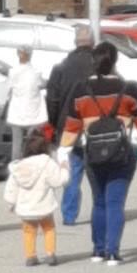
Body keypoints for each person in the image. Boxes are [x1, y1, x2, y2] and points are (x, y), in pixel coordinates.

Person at [60, 41, 137, 265]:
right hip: (122, 154)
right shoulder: (129, 90)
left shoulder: (81, 90)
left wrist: (63, 151)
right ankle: (113, 252)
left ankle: (98, 249)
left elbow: (72, 126)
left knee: (99, 202)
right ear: (115, 61)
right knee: (115, 203)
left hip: (92, 153)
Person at [46, 26, 95, 225]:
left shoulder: (61, 68)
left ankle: (69, 214)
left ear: (76, 43)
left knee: (73, 171)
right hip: (95, 126)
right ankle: (102, 207)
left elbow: (52, 99)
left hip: (68, 126)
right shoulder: (99, 65)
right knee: (97, 171)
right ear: (91, 43)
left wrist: (55, 123)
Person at [4, 128, 70, 266]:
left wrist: (11, 202)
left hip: (26, 208)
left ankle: (30, 256)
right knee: (49, 229)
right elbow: (58, 180)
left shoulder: (19, 166)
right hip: (44, 205)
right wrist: (64, 168)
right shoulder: (47, 162)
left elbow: (12, 187)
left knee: (28, 231)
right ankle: (50, 253)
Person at [7, 47, 47, 160]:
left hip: (16, 114)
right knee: (32, 144)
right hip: (33, 114)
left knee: (16, 144)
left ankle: (15, 169)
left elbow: (8, 90)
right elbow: (42, 84)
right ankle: (31, 166)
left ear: (18, 54)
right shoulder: (36, 73)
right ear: (30, 55)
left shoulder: (12, 72)